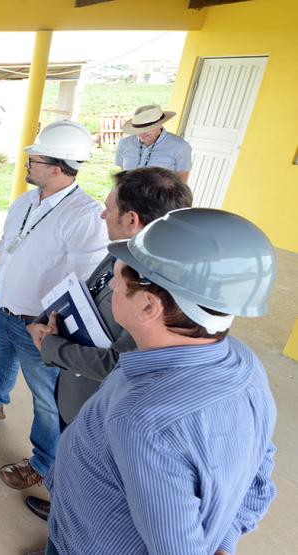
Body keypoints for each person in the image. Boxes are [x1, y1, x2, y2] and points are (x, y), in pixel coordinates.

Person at [46, 208, 277, 555]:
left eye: (120, 278)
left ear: (149, 306)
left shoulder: (141, 421)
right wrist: (224, 541)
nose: (111, 284)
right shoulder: (244, 363)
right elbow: (259, 466)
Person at [22, 166, 193, 521]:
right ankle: (62, 507)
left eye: (109, 208)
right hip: (77, 394)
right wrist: (45, 319)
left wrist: (51, 348)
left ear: (131, 219)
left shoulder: (156, 292)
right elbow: (88, 291)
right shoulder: (122, 250)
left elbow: (120, 363)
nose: (102, 213)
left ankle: (70, 526)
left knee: (94, 493)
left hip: (99, 408)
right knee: (72, 473)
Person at [0, 120, 108, 490]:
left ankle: (44, 464)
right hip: (2, 306)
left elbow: (81, 284)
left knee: (47, 399)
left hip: (36, 324)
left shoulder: (84, 215)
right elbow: (3, 247)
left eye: (34, 159)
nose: (27, 164)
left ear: (56, 168)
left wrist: (45, 324)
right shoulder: (25, 200)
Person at [115, 103, 192, 182]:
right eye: (138, 129)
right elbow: (122, 175)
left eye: (146, 128)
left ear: (160, 124)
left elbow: (182, 183)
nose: (141, 134)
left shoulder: (180, 147)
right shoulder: (124, 143)